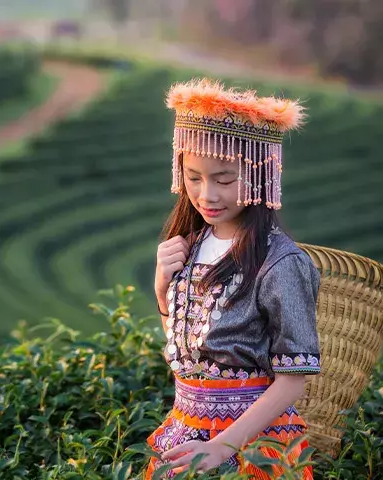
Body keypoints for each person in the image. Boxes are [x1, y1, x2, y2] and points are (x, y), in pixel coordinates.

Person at [145, 78, 322, 479]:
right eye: (193, 177)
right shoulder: (189, 245)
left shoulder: (281, 263)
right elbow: (185, 363)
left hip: (255, 448)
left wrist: (220, 447)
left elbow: (295, 379)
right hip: (183, 435)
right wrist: (162, 289)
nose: (206, 195)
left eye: (224, 180)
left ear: (261, 173)